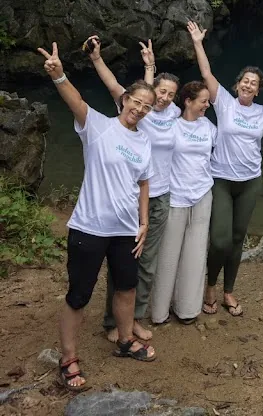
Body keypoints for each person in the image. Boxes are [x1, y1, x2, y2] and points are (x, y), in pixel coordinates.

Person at [37, 42, 156, 391]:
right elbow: (74, 100)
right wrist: (59, 75)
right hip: (89, 227)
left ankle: (124, 340)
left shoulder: (143, 142)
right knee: (80, 294)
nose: (139, 109)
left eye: (146, 107)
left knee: (127, 287)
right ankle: (68, 358)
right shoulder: (98, 127)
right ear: (124, 100)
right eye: (136, 102)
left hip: (125, 229)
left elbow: (144, 183)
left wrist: (144, 222)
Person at [186, 21, 263, 317]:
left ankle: (228, 291)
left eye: (254, 83)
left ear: (258, 91)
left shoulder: (261, 114)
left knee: (237, 238)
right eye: (245, 80)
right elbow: (206, 73)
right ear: (237, 85)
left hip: (250, 183)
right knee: (220, 239)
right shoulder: (224, 104)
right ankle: (209, 285)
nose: (248, 85)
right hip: (221, 179)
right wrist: (197, 42)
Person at [87, 33, 179, 343]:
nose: (163, 98)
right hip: (129, 199)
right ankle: (112, 321)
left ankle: (135, 318)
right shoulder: (137, 111)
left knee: (147, 264)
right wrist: (98, 59)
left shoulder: (168, 115)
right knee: (121, 264)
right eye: (160, 92)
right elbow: (116, 86)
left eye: (170, 94)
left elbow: (160, 99)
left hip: (159, 198)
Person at [151, 81, 216, 325]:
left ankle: (187, 309)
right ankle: (158, 312)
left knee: (196, 253)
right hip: (175, 196)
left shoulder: (208, 126)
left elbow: (222, 149)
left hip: (202, 195)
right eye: (203, 101)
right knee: (168, 255)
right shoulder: (171, 126)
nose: (207, 106)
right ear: (188, 101)